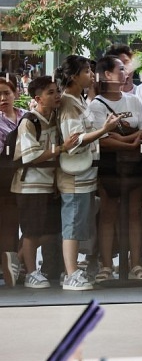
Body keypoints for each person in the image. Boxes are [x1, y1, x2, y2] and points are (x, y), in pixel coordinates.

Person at [56, 56, 120, 291]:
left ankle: (72, 270)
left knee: (79, 221)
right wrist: (105, 129)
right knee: (72, 222)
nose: (91, 75)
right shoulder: (68, 103)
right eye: (86, 71)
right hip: (74, 172)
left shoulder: (78, 100)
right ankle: (71, 273)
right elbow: (74, 141)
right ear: (74, 76)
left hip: (84, 172)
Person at [90, 55, 142, 282]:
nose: (125, 72)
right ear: (107, 75)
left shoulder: (133, 100)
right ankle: (106, 265)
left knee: (135, 214)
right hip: (109, 165)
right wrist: (132, 142)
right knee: (108, 215)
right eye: (120, 69)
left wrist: (128, 140)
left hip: (134, 164)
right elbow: (101, 140)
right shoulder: (96, 105)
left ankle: (135, 263)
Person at [11, 76, 77, 288]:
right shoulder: (30, 121)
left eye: (57, 90)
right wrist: (61, 149)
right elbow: (29, 156)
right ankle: (30, 272)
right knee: (32, 231)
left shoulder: (55, 117)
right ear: (38, 98)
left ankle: (21, 261)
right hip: (30, 185)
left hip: (49, 185)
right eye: (50, 92)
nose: (57, 95)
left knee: (50, 231)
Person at [0, 76, 25, 285]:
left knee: (23, 223)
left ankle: (18, 263)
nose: (2, 98)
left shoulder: (27, 117)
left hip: (29, 178)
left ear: (15, 93)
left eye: (6, 93)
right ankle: (9, 264)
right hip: (4, 181)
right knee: (7, 223)